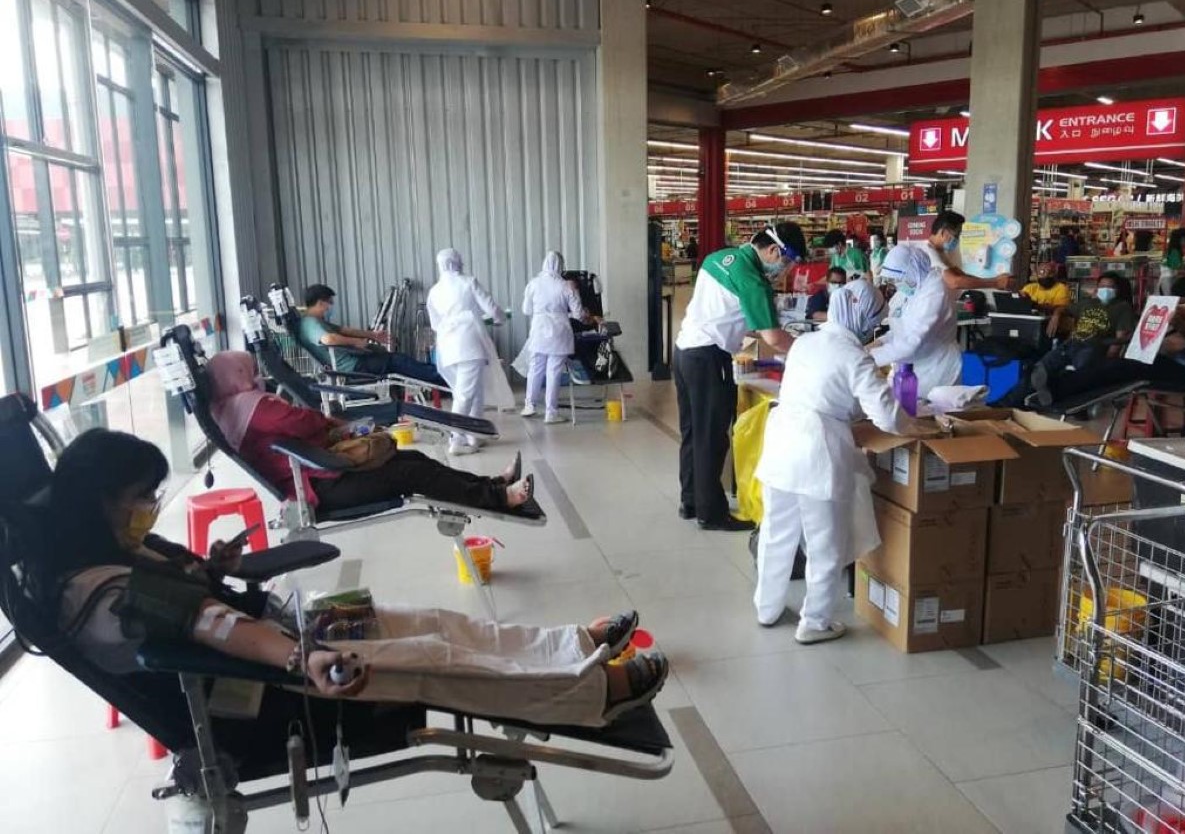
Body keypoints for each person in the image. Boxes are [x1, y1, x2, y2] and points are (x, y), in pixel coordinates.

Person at [28, 429, 668, 727]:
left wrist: (211, 567)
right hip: (264, 685)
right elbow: (209, 623)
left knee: (429, 621)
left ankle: (568, 646)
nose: (150, 507)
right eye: (140, 496)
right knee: (431, 659)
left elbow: (196, 591)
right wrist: (302, 655)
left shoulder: (120, 547)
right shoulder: (104, 596)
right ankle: (589, 693)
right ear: (99, 499)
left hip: (278, 640)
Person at [754, 280, 925, 643]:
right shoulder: (854, 355)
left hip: (782, 438)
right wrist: (916, 427)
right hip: (817, 447)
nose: (872, 329)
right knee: (825, 541)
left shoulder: (805, 342)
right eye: (873, 320)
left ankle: (766, 607)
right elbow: (886, 415)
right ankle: (814, 623)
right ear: (862, 318)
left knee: (776, 530)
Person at [207, 351, 533, 513]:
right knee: (411, 471)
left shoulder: (231, 410)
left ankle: (492, 485)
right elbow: (302, 421)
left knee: (414, 458)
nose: (256, 374)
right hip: (321, 484)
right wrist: (331, 424)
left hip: (319, 472)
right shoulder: (255, 408)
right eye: (248, 369)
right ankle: (500, 498)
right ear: (237, 375)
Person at [674, 223, 801, 532]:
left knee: (693, 431)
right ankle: (711, 513)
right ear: (773, 251)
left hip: (684, 351)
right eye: (785, 263)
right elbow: (773, 338)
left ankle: (690, 500)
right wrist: (810, 348)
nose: (782, 271)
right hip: (709, 358)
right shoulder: (753, 281)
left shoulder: (717, 258)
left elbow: (737, 314)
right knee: (712, 437)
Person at [426, 248, 511, 456]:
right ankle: (456, 440)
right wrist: (500, 319)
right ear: (458, 262)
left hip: (446, 347)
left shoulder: (434, 291)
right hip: (469, 346)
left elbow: (435, 323)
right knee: (465, 395)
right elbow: (491, 308)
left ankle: (474, 435)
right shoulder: (468, 282)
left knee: (472, 391)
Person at [1016, 272, 1136, 408]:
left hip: (1093, 347)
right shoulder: (1088, 303)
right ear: (1097, 288)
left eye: (1110, 287)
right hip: (1071, 343)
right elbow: (1063, 308)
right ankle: (1040, 396)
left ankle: (1067, 399)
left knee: (1077, 376)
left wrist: (1108, 360)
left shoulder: (1122, 307)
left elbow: (1121, 338)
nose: (1105, 290)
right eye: (1102, 286)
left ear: (1118, 290)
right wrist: (1056, 314)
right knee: (1040, 370)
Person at [298, 284, 444, 386]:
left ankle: (439, 375)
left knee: (396, 359)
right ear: (320, 303)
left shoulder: (317, 321)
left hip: (354, 362)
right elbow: (329, 338)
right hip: (351, 368)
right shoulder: (310, 324)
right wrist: (355, 342)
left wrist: (373, 335)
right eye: (330, 302)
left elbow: (343, 330)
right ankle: (443, 377)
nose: (331, 306)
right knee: (397, 362)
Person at [871, 243, 961, 397]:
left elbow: (912, 343)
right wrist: (878, 342)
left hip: (938, 368)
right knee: (909, 412)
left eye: (899, 278)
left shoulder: (935, 292)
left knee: (931, 415)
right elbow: (901, 329)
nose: (897, 283)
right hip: (911, 368)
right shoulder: (910, 289)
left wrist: (867, 357)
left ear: (912, 271)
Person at [520, 251, 586, 424]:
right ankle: (551, 413)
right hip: (559, 331)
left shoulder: (533, 284)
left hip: (539, 330)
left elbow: (526, 310)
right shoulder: (566, 286)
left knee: (535, 368)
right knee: (554, 371)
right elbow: (579, 314)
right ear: (560, 266)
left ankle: (529, 405)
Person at [920, 210, 1013, 292]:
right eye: (956, 236)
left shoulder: (941, 253)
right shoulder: (929, 253)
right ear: (943, 232)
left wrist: (995, 280)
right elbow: (955, 282)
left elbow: (961, 275)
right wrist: (995, 283)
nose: (957, 240)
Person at [1161, 227, 1185, 295]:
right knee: (1170, 300)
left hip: (1168, 279)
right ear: (1182, 239)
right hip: (1168, 280)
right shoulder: (1174, 252)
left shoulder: (1172, 250)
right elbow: (1177, 270)